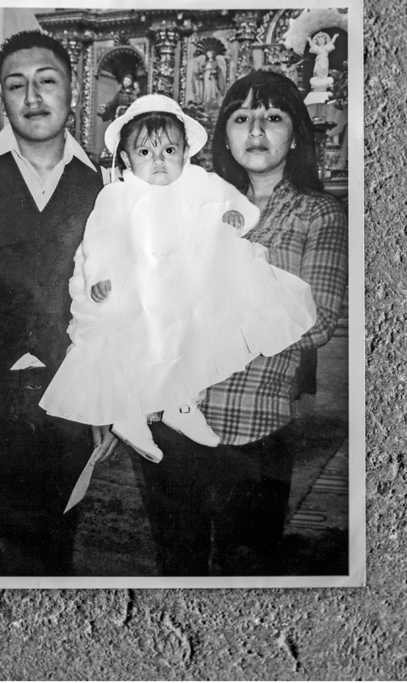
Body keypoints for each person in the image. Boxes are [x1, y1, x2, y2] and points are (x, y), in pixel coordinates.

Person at [138, 70, 348, 576]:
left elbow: (316, 323)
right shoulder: (198, 204)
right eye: (241, 118)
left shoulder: (317, 214)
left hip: (253, 428)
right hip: (170, 422)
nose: (256, 130)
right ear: (225, 135)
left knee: (247, 573)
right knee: (176, 566)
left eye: (272, 118)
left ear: (294, 133)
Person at [38, 94, 316, 464]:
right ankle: (129, 414)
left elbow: (231, 200)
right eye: (145, 153)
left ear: (186, 154)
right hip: (131, 283)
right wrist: (101, 274)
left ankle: (180, 406)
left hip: (182, 286)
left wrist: (234, 215)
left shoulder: (199, 181)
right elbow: (99, 239)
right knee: (130, 345)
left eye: (169, 150)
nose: (159, 161)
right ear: (125, 159)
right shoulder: (118, 195)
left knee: (192, 341)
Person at [0, 30, 116, 577]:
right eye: (16, 85)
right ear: (2, 97)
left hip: (66, 407)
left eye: (47, 82)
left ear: (72, 90)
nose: (32, 97)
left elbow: (112, 306)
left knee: (52, 554)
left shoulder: (107, 186)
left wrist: (104, 404)